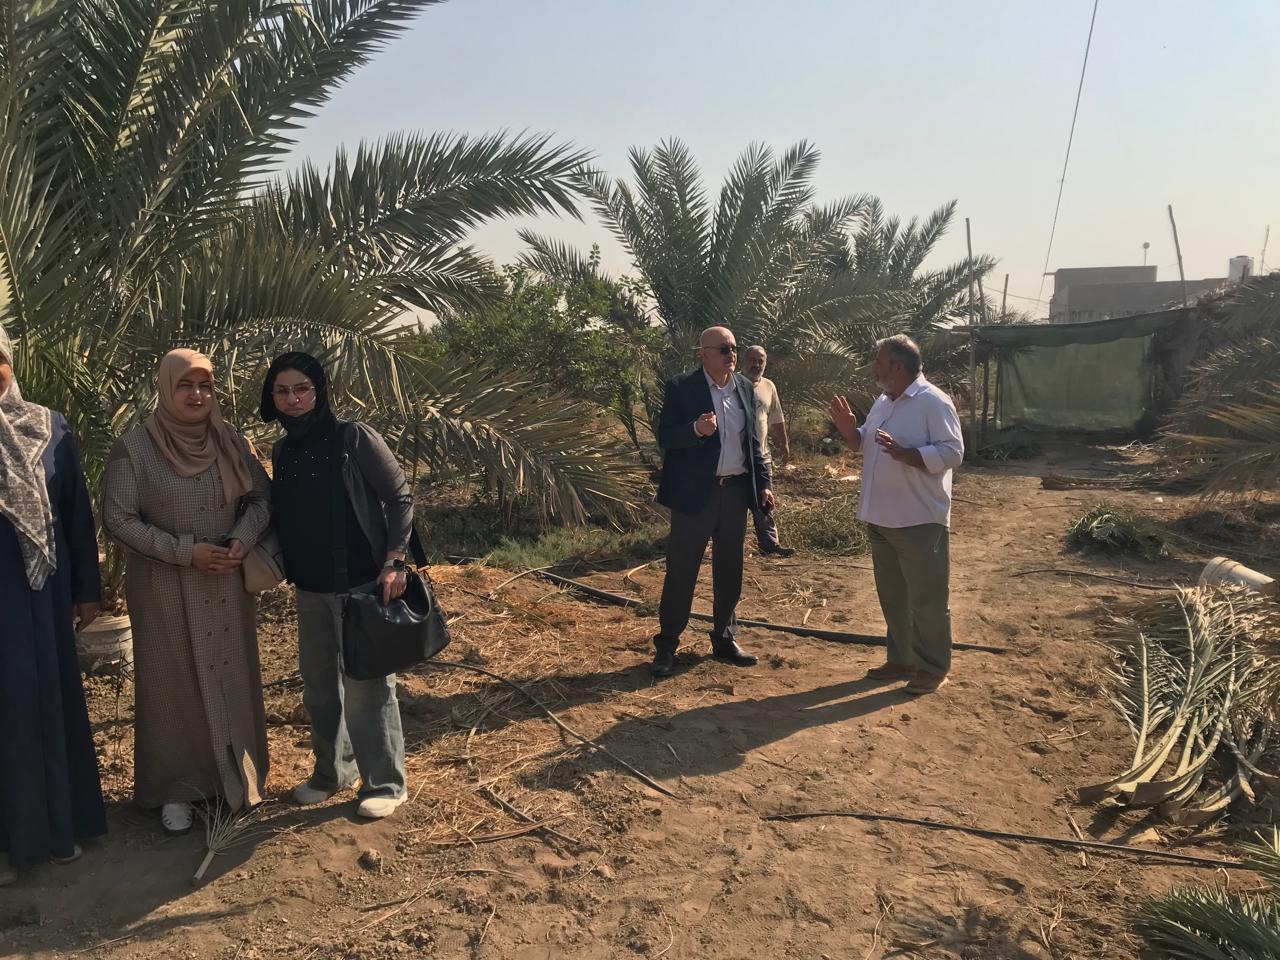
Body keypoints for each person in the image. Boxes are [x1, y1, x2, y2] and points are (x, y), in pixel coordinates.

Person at [102, 349, 272, 834]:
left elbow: (261, 499)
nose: (197, 395)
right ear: (165, 388)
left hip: (226, 584)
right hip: (165, 590)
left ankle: (236, 779)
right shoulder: (135, 449)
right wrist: (184, 552)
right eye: (185, 385)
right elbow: (117, 519)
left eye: (205, 386)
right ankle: (176, 790)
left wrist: (241, 538)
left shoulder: (229, 440)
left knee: (231, 679)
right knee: (171, 688)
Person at [261, 352, 413, 820]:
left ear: (319, 391)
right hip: (309, 588)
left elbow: (399, 497)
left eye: (301, 389)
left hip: (361, 586)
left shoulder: (353, 437)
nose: (292, 399)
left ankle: (386, 782)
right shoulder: (282, 451)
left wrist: (395, 561)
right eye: (282, 391)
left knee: (368, 687)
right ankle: (332, 773)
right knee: (320, 688)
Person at [0, 324, 107, 884]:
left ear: (10, 362)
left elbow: (76, 514)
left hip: (42, 599)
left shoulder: (49, 426)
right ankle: (10, 843)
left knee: (46, 700)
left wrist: (87, 591)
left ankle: (60, 828)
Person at [828, 335, 964, 695]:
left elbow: (953, 452)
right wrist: (849, 431)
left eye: (879, 361)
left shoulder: (933, 401)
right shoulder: (884, 401)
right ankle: (902, 659)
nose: (874, 367)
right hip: (881, 517)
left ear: (898, 367)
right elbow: (864, 443)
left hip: (918, 519)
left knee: (927, 599)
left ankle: (933, 667)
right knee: (894, 596)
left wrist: (910, 455)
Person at [650, 326, 775, 678]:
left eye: (733, 348)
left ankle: (724, 639)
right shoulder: (682, 388)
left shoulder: (744, 388)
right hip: (695, 495)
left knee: (730, 569)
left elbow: (753, 443)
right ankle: (667, 645)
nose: (731, 354)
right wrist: (695, 430)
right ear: (703, 353)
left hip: (735, 493)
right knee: (682, 570)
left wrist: (763, 484)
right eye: (723, 349)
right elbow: (666, 437)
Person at [741, 345, 794, 558]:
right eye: (752, 360)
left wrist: (784, 444)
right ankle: (730, 543)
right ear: (743, 361)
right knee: (734, 504)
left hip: (762, 456)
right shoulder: (733, 383)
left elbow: (776, 418)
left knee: (765, 500)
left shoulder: (769, 386)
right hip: (737, 456)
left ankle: (770, 545)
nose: (756, 365)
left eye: (760, 361)